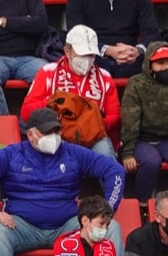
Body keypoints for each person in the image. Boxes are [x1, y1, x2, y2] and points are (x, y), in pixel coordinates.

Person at [0, 108, 124, 256]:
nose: (54, 136)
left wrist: (108, 209)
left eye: (56, 130)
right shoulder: (12, 154)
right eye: (47, 132)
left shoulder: (73, 152)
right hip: (22, 227)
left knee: (112, 228)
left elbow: (115, 170)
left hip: (68, 226)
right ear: (30, 134)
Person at [22, 25, 120, 159]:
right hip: (57, 133)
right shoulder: (48, 72)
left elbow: (115, 115)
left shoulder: (105, 77)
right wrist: (52, 102)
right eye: (82, 54)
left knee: (106, 155)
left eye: (90, 55)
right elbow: (26, 112)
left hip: (94, 136)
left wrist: (93, 123)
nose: (87, 59)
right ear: (67, 51)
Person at [118, 41, 168, 202]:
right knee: (151, 161)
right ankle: (142, 205)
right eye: (160, 63)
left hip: (167, 140)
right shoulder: (136, 84)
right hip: (141, 140)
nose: (166, 67)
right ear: (149, 65)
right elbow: (129, 121)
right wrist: (127, 153)